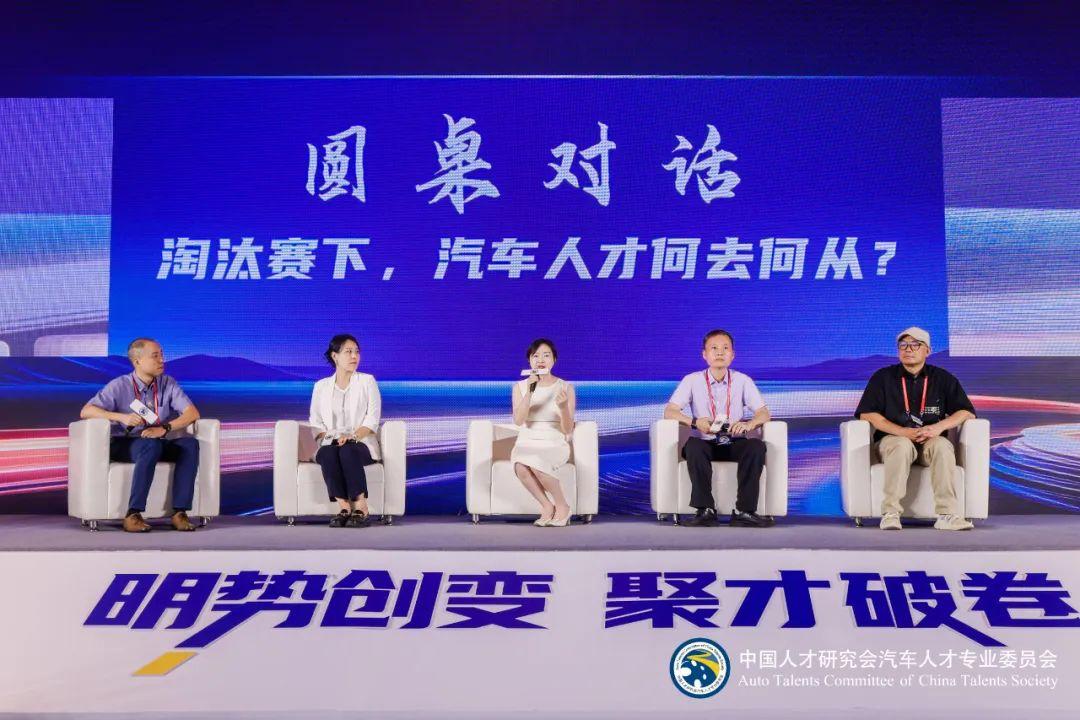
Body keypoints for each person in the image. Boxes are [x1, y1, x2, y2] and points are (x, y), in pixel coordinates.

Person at [854, 327, 976, 531]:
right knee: (901, 445)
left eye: (915, 345)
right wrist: (902, 432)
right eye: (903, 345)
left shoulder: (942, 378)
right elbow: (867, 414)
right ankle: (890, 513)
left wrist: (938, 427)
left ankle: (947, 515)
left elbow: (966, 412)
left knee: (942, 446)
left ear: (928, 350)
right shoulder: (883, 377)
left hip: (929, 440)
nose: (908, 349)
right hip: (892, 440)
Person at [79, 338, 201, 532]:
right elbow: (86, 411)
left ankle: (180, 513)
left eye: (162, 355)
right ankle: (133, 514)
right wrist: (121, 417)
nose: (162, 360)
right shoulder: (119, 385)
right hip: (125, 443)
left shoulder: (167, 383)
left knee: (189, 445)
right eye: (155, 356)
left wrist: (165, 428)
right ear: (137, 361)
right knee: (151, 445)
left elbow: (192, 413)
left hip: (156, 439)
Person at [663, 329, 773, 528]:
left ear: (733, 355)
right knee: (694, 446)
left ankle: (745, 511)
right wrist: (695, 422)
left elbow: (764, 413)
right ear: (704, 355)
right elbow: (670, 411)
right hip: (704, 442)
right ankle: (705, 510)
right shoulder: (692, 380)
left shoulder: (743, 380)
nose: (720, 352)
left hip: (734, 442)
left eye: (725, 348)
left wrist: (748, 424)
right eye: (714, 348)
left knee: (756, 447)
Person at [309, 334, 381, 528]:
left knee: (348, 450)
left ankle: (361, 507)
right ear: (335, 356)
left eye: (357, 352)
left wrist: (352, 437)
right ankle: (344, 508)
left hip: (360, 442)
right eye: (348, 352)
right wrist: (332, 438)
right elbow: (315, 422)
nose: (354, 356)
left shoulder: (367, 381)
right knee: (327, 452)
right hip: (331, 442)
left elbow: (372, 419)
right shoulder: (321, 386)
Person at [511, 338, 576, 527]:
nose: (541, 360)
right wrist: (530, 391)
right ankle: (547, 506)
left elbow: (567, 429)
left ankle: (563, 506)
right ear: (529, 360)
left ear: (554, 360)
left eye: (546, 355)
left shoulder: (565, 387)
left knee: (537, 462)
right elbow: (518, 420)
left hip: (554, 441)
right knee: (520, 465)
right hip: (527, 440)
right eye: (536, 356)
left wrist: (563, 407)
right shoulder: (519, 387)